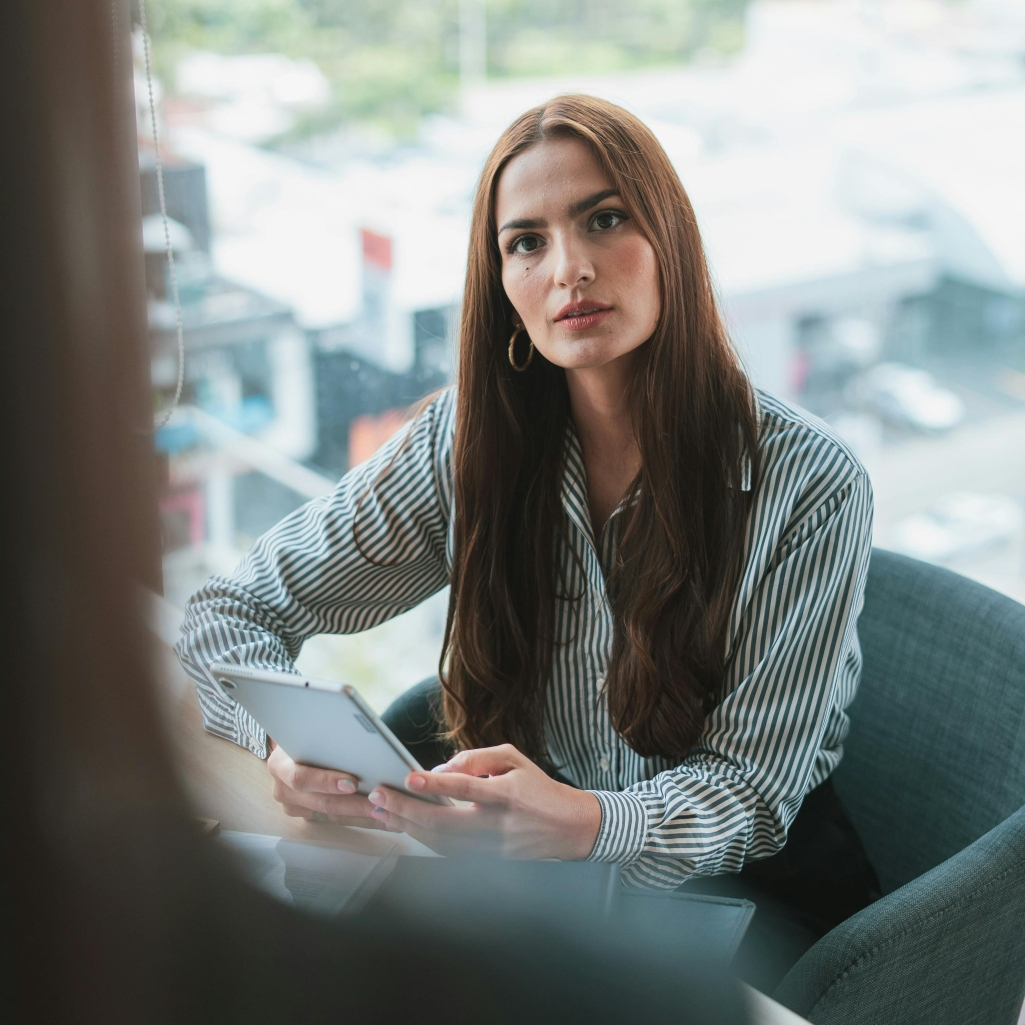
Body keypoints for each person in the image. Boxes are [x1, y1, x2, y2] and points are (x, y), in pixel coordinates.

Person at [176, 95, 879, 977]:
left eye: (605, 218)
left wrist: (584, 824)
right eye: (527, 242)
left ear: (670, 239)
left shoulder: (809, 482)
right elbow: (228, 610)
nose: (570, 269)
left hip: (736, 887)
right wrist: (282, 745)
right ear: (502, 286)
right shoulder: (465, 439)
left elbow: (749, 795)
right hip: (518, 869)